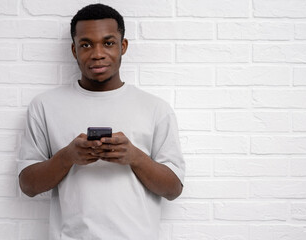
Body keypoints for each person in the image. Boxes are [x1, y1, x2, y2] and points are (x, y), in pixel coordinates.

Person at [17, 3, 185, 240]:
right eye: (86, 44)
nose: (97, 53)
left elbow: (173, 189)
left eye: (108, 43)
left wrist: (135, 157)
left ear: (122, 46)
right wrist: (68, 157)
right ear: (74, 51)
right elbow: (28, 185)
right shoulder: (44, 106)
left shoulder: (156, 108)